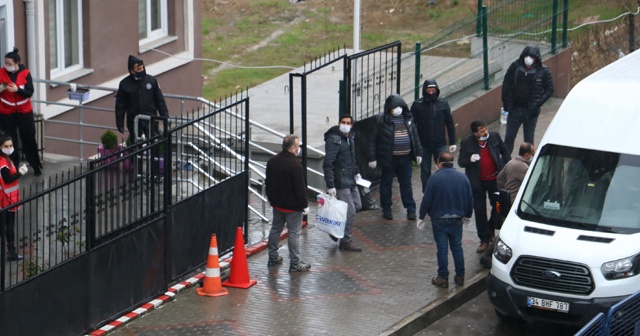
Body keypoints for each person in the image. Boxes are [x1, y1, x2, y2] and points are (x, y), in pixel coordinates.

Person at [418, 152, 473, 288]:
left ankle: (443, 278)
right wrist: (468, 216)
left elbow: (427, 200)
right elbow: (469, 198)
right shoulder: (462, 177)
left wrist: (421, 217)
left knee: (442, 249)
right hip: (457, 219)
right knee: (457, 248)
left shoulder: (434, 178)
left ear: (440, 164)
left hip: (439, 220)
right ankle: (460, 276)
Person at [458, 120, 510, 253]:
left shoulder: (494, 137)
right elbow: (461, 162)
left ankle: (491, 226)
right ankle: (484, 239)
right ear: (475, 133)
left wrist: (504, 166)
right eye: (481, 131)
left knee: (498, 205)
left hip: (494, 180)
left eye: (485, 129)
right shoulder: (467, 142)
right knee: (480, 211)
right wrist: (470, 159)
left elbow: (504, 152)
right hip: (478, 183)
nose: (485, 132)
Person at [368, 94, 423, 220]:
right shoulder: (381, 120)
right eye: (395, 107)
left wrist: (419, 153)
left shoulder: (408, 119)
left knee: (406, 184)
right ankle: (386, 209)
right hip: (389, 159)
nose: (398, 109)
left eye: (400, 106)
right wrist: (372, 158)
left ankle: (411, 209)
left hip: (405, 159)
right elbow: (372, 140)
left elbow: (415, 136)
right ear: (389, 108)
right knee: (386, 184)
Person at [265, 135, 311, 272]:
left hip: (277, 204)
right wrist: (304, 205)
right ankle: (295, 263)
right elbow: (300, 188)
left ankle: (273, 257)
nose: (298, 149)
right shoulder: (295, 165)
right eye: (297, 146)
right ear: (292, 148)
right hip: (293, 207)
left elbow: (269, 183)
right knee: (294, 234)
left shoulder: (272, 161)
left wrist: (271, 199)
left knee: (275, 229)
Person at [502, 44, 554, 155]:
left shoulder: (543, 71)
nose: (528, 59)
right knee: (509, 138)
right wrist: (507, 104)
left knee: (529, 140)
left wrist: (538, 103)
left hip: (530, 112)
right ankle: (505, 163)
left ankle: (528, 162)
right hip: (515, 109)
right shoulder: (515, 67)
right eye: (527, 56)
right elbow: (506, 84)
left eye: (532, 56)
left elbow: (549, 89)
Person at [323, 115, 363, 252]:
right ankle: (345, 241)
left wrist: (356, 171)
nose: (345, 125)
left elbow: (352, 157)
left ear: (352, 125)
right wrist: (330, 184)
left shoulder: (350, 137)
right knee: (350, 211)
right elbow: (328, 163)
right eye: (343, 122)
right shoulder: (334, 140)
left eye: (348, 123)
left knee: (357, 205)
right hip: (340, 181)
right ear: (339, 123)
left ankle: (335, 230)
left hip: (351, 178)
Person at [0, 48, 42, 176]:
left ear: (17, 63)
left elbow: (29, 92)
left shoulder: (25, 73)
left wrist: (17, 90)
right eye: (6, 63)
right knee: (9, 140)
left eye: (10, 64)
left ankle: (35, 165)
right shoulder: (1, 73)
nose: (7, 66)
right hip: (6, 112)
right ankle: (12, 167)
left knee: (29, 138)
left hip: (24, 112)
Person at [411, 79, 457, 193]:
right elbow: (412, 126)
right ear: (424, 91)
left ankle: (443, 192)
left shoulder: (443, 104)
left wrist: (452, 141)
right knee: (425, 171)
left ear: (437, 90)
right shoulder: (417, 105)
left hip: (440, 143)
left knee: (444, 169)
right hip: (423, 145)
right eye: (428, 90)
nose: (431, 93)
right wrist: (415, 147)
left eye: (433, 90)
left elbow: (450, 123)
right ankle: (427, 193)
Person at [115, 55, 169, 144]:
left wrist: (165, 116)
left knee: (154, 143)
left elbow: (159, 100)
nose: (141, 70)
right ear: (132, 71)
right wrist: (119, 123)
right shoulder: (125, 84)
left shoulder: (151, 80)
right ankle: (136, 158)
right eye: (138, 69)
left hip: (151, 118)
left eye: (142, 68)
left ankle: (154, 157)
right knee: (135, 145)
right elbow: (120, 105)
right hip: (134, 120)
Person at [0, 134, 28, 261]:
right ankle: (11, 252)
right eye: (6, 146)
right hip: (6, 199)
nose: (9, 148)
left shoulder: (6, 158)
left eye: (11, 145)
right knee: (9, 226)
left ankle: (10, 251)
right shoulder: (3, 162)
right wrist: (20, 173)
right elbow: (7, 178)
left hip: (7, 198)